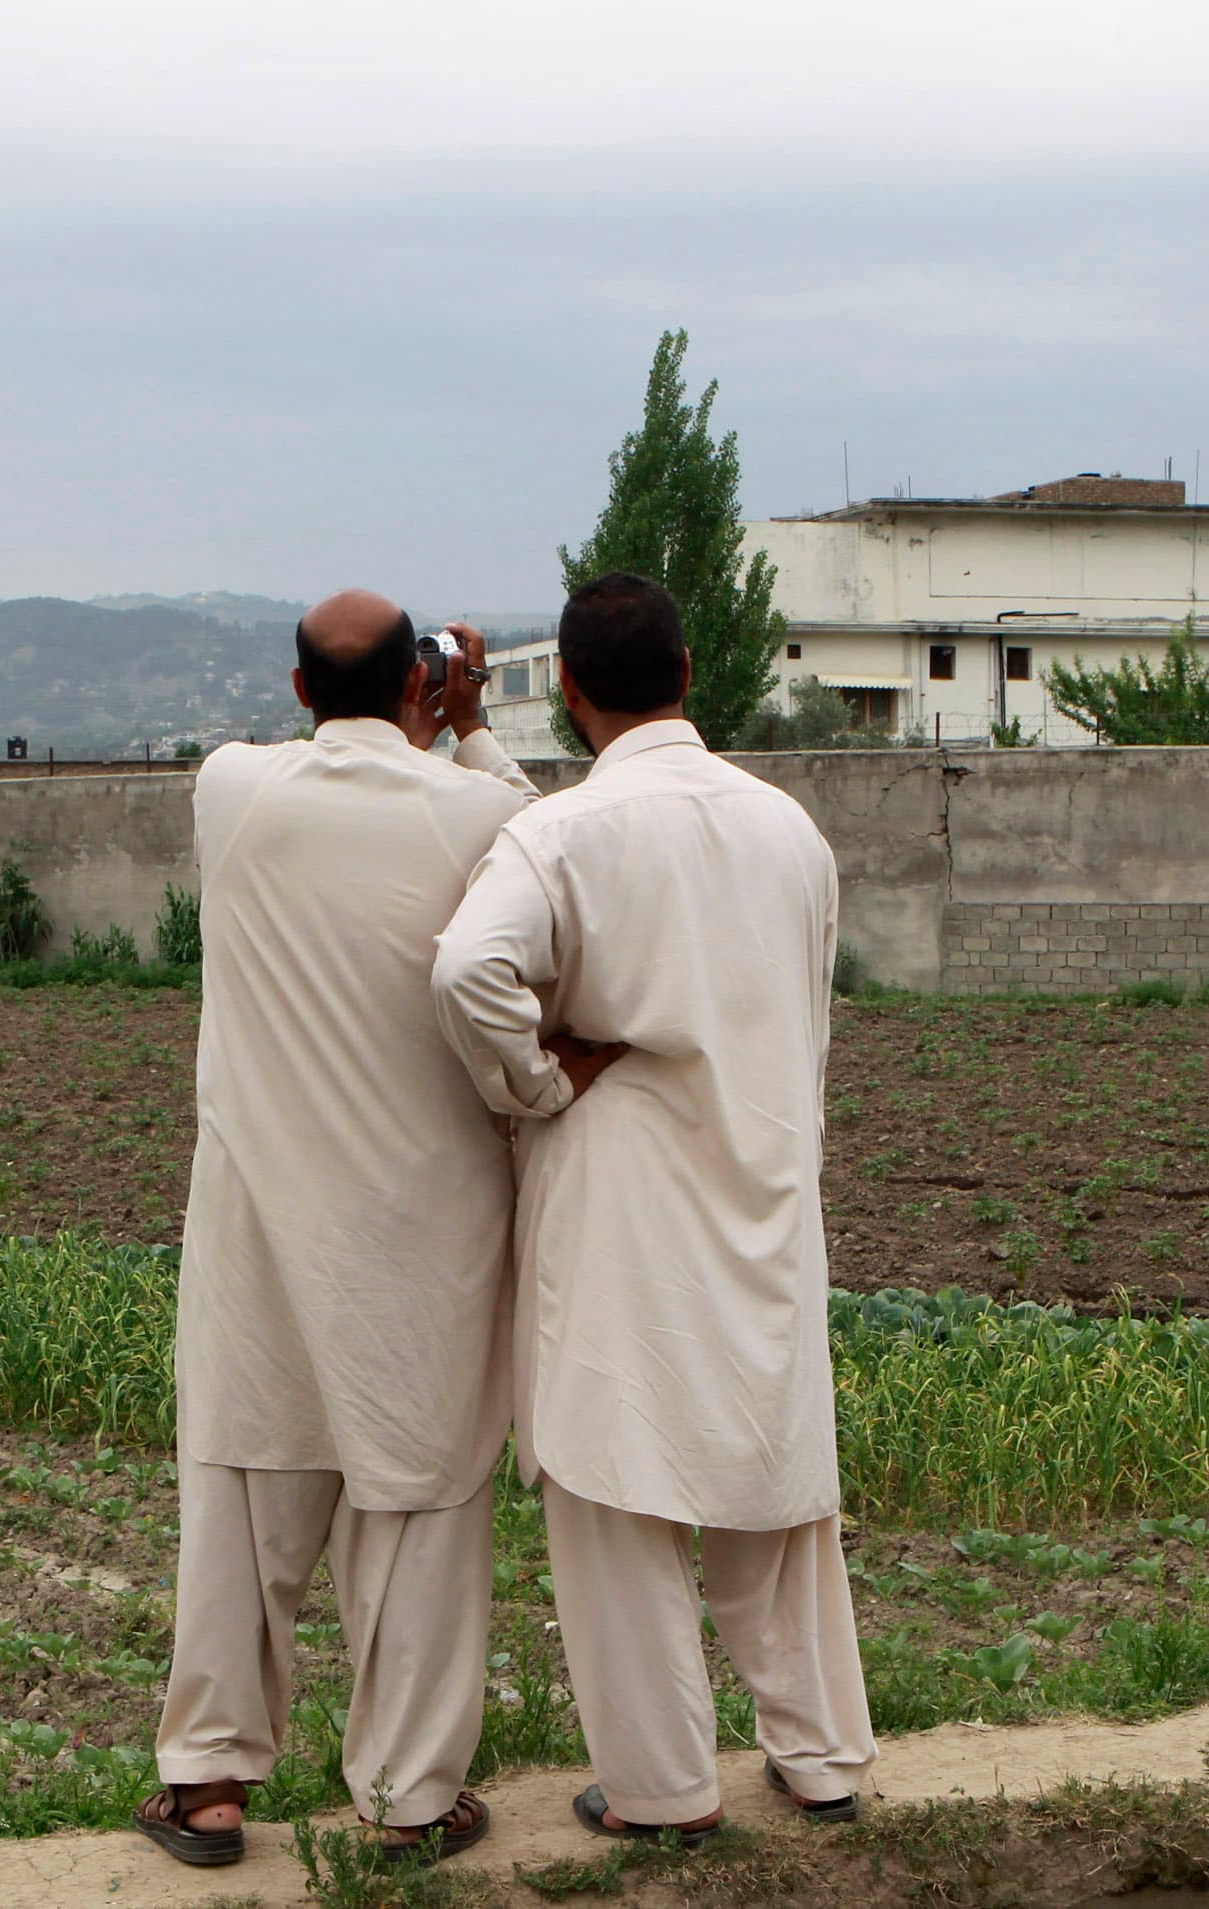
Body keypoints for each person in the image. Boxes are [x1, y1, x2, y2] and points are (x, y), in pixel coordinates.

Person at [430, 571, 876, 1844]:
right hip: (764, 1173)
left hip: (623, 1194)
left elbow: (469, 967)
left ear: (567, 695)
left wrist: (535, 1077)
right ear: (690, 673)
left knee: (618, 1497)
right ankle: (822, 1754)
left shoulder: (562, 834)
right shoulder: (792, 832)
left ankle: (664, 1789)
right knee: (776, 1489)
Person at [135, 589, 532, 1870]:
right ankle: (412, 1794)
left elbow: (300, 751)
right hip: (421, 1236)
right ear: (426, 682)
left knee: (244, 1492)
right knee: (418, 1503)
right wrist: (466, 730)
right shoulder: (483, 813)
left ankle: (207, 1784)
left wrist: (412, 719)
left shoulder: (232, 793)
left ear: (300, 692)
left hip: (259, 1231)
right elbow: (539, 851)